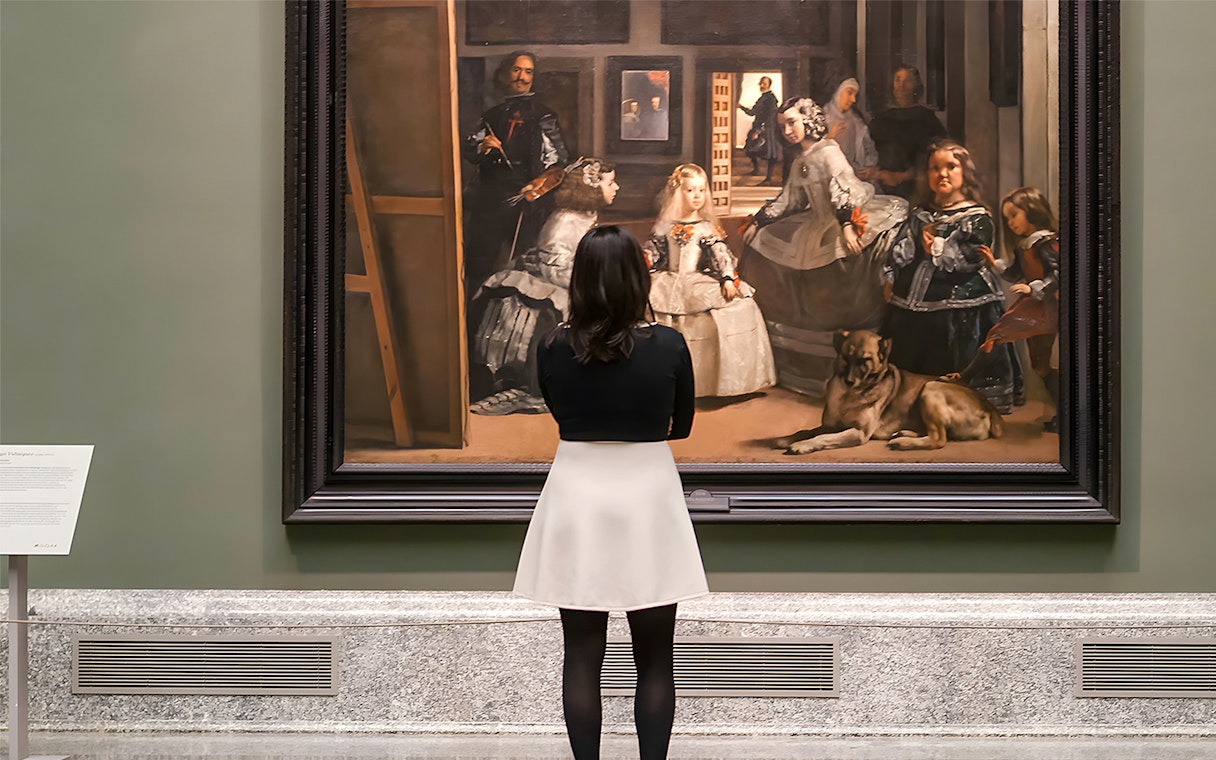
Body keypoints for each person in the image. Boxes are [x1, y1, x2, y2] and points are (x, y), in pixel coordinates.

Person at [513, 225, 708, 760]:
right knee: (655, 659)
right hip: (648, 493)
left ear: (580, 279)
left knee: (580, 655)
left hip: (577, 490)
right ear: (637, 278)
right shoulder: (668, 344)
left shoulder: (552, 345)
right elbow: (683, 426)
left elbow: (561, 414)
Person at [737, 96, 907, 395]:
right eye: (783, 125)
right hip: (815, 221)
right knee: (764, 242)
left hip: (844, 214)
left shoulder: (829, 152)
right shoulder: (799, 161)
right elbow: (789, 200)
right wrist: (759, 221)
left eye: (793, 122)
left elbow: (844, 191)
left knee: (842, 258)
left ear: (808, 120)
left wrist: (846, 225)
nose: (788, 130)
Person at [469, 157, 619, 415]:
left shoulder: (585, 215)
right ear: (592, 187)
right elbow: (554, 267)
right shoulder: (565, 221)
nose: (617, 188)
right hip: (545, 281)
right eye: (611, 182)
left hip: (566, 279)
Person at [882, 138, 1023, 412]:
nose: (942, 174)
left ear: (964, 172)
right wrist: (890, 275)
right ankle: (913, 402)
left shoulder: (976, 217)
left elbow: (970, 258)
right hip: (913, 301)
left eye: (951, 166)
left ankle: (961, 405)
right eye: (935, 168)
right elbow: (899, 249)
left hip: (962, 301)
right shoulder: (919, 214)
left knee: (958, 351)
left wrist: (935, 245)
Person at [644, 164, 776, 398]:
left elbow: (721, 255)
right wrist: (642, 263)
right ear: (677, 192)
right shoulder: (665, 225)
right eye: (690, 190)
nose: (697, 196)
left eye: (701, 190)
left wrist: (727, 278)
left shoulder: (706, 227)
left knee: (740, 306)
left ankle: (717, 384)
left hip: (696, 280)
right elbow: (653, 251)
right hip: (669, 278)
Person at [461, 51, 569, 297]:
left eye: (528, 71)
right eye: (516, 70)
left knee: (524, 266)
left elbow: (558, 160)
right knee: (479, 264)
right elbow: (470, 149)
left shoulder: (544, 115)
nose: (522, 77)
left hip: (526, 202)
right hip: (489, 201)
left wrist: (538, 183)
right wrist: (482, 146)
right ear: (505, 73)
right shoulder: (492, 115)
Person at [953, 186, 1060, 429]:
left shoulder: (1046, 243)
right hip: (1034, 304)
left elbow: (1057, 275)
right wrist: (993, 263)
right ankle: (1064, 412)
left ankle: (965, 377)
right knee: (1039, 366)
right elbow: (1013, 273)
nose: (1010, 222)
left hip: (1047, 305)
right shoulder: (1025, 245)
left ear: (1032, 210)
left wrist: (1033, 288)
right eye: (1007, 218)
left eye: (1014, 215)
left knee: (998, 335)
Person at [868, 65, 948, 199]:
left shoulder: (927, 119)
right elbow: (869, 151)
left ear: (916, 86)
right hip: (881, 189)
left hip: (916, 190)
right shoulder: (881, 119)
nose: (901, 86)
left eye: (908, 81)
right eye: (898, 80)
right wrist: (876, 172)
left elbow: (938, 157)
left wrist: (902, 176)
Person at [824, 77, 878, 179]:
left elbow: (869, 149)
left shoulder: (857, 122)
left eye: (855, 95)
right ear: (837, 93)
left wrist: (870, 167)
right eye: (849, 93)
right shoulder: (821, 119)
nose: (853, 100)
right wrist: (828, 138)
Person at [738, 76, 781, 183]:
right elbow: (754, 112)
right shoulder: (764, 97)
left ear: (768, 85)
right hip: (761, 127)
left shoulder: (769, 98)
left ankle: (768, 178)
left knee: (770, 153)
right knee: (749, 149)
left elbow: (768, 116)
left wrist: (759, 131)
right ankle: (756, 170)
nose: (761, 85)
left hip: (766, 129)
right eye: (761, 83)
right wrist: (741, 107)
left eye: (764, 84)